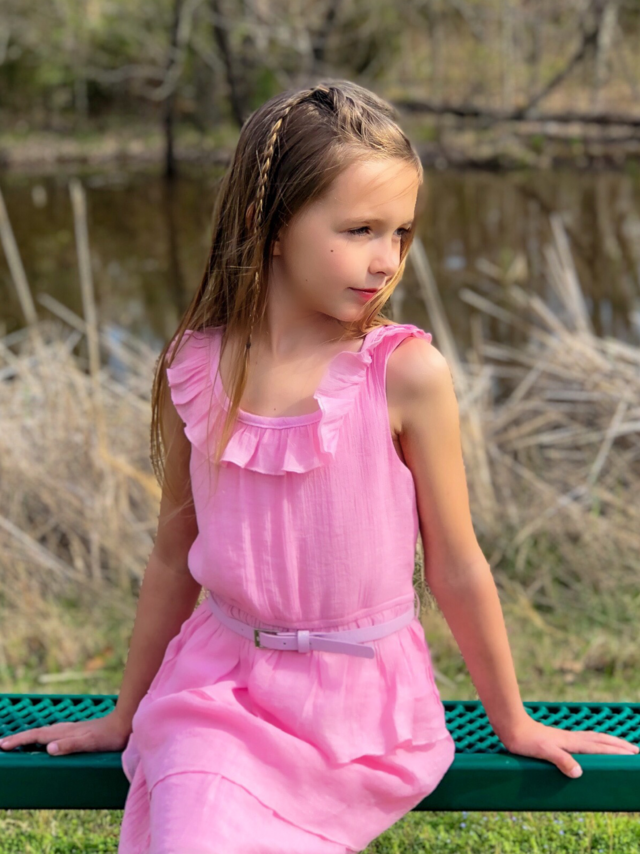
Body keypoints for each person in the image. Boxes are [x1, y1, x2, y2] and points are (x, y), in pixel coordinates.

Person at [1, 78, 638, 853]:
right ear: (266, 224)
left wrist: (514, 720)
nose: (386, 260)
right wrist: (124, 715)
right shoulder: (197, 368)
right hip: (218, 692)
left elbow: (457, 563)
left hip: (364, 707)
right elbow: (173, 556)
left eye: (401, 232)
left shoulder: (404, 374)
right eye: (360, 229)